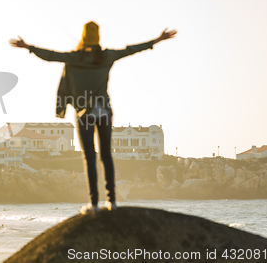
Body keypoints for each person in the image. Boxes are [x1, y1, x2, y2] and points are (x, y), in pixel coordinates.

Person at [10, 21, 177, 214]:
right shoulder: (106, 56)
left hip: (85, 113)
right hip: (104, 111)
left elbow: (51, 56)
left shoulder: (75, 58)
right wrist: (157, 39)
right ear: (98, 37)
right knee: (106, 156)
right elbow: (130, 50)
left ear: (83, 37)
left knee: (89, 156)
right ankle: (112, 202)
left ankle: (94, 204)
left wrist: (28, 47)